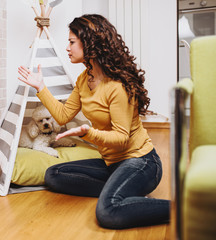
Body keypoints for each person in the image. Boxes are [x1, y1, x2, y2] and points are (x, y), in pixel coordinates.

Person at [18, 14, 170, 229]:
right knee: (54, 175)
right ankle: (124, 194)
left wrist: (86, 133)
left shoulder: (117, 86)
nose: (67, 48)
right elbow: (62, 116)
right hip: (112, 163)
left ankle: (182, 208)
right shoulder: (83, 79)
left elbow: (121, 138)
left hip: (141, 162)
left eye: (71, 42)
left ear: (89, 42)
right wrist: (40, 88)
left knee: (108, 212)